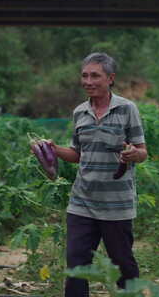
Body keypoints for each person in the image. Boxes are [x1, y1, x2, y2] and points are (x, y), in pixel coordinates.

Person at [47, 52, 147, 297]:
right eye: (84, 75)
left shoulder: (127, 109)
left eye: (95, 76)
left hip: (117, 205)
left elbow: (142, 151)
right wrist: (52, 148)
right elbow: (78, 154)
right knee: (77, 266)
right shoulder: (80, 112)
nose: (88, 81)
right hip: (82, 202)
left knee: (123, 264)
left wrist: (134, 154)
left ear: (110, 78)